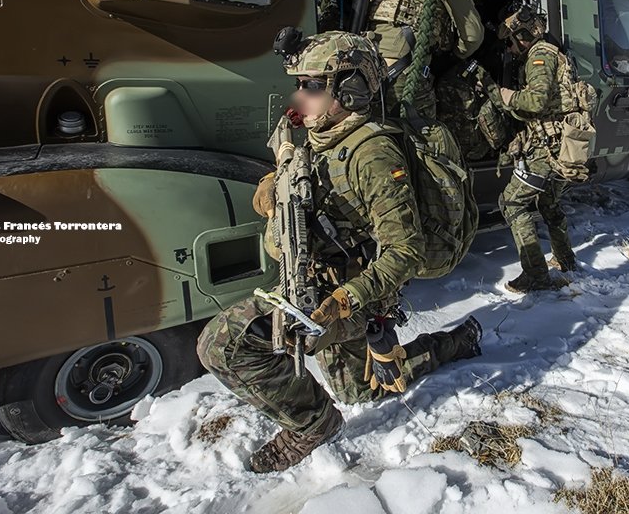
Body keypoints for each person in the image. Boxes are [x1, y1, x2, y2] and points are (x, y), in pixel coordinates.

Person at [197, 32, 482, 473]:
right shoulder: (322, 136)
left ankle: (313, 426)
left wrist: (346, 300)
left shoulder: (371, 154)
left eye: (311, 85)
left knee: (223, 344)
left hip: (350, 295)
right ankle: (450, 344)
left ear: (348, 89)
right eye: (299, 83)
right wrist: (273, 186)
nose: (299, 95)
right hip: (322, 278)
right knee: (359, 392)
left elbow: (405, 250)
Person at [495, 8, 595, 294]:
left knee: (512, 203)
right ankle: (565, 259)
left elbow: (536, 101)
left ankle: (536, 275)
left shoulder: (540, 56)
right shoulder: (557, 53)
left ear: (523, 37)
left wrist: (506, 96)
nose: (511, 49)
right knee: (548, 203)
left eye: (512, 41)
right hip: (566, 146)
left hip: (548, 148)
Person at [367, 0, 484, 117]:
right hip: (403, 73)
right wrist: (454, 56)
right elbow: (473, 36)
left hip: (369, 67)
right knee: (424, 138)